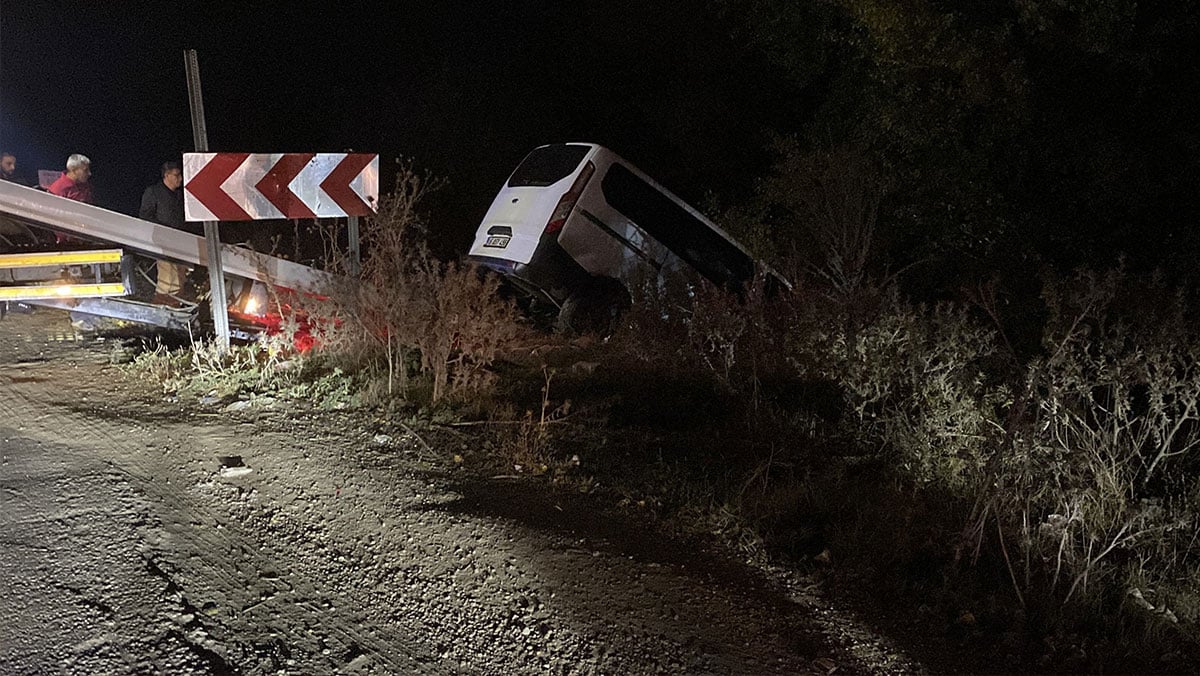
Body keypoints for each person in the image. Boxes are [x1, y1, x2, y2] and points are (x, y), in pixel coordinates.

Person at [138, 161, 192, 307]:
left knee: (180, 273)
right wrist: (163, 230)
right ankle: (162, 304)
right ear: (167, 175)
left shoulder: (179, 196)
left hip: (180, 241)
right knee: (167, 273)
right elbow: (145, 215)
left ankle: (176, 304)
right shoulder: (153, 192)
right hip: (162, 240)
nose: (180, 178)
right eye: (177, 175)